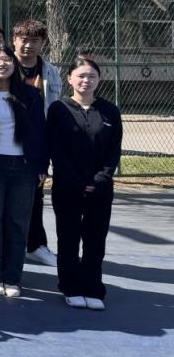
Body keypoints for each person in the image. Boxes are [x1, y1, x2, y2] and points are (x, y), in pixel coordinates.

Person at [48, 56, 122, 311]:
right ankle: (70, 287)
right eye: (81, 76)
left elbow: (114, 151)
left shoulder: (110, 111)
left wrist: (100, 179)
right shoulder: (58, 109)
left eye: (91, 76)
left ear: (99, 80)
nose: (86, 80)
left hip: (100, 189)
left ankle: (92, 288)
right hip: (68, 187)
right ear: (69, 79)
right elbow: (56, 151)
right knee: (68, 239)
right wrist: (77, 182)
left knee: (95, 240)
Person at [0, 44, 47, 298]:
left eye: (6, 59)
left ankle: (13, 277)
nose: (1, 64)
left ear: (14, 64)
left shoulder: (30, 94)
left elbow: (41, 132)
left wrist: (42, 166)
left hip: (24, 166)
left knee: (18, 223)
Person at [12, 19, 62, 267]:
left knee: (35, 195)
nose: (28, 45)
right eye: (23, 40)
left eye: (34, 41)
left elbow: (53, 108)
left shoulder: (50, 72)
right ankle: (2, 247)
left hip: (37, 144)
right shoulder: (2, 65)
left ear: (43, 43)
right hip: (5, 141)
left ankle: (35, 245)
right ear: (14, 41)